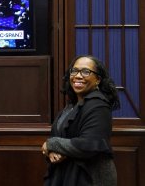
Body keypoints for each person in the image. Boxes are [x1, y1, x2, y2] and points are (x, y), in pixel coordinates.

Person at [42, 55, 120, 186]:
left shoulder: (98, 105)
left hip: (90, 178)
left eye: (86, 71)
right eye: (74, 71)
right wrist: (52, 152)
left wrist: (51, 144)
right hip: (66, 175)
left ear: (98, 80)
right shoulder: (71, 106)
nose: (78, 76)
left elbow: (89, 144)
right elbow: (62, 137)